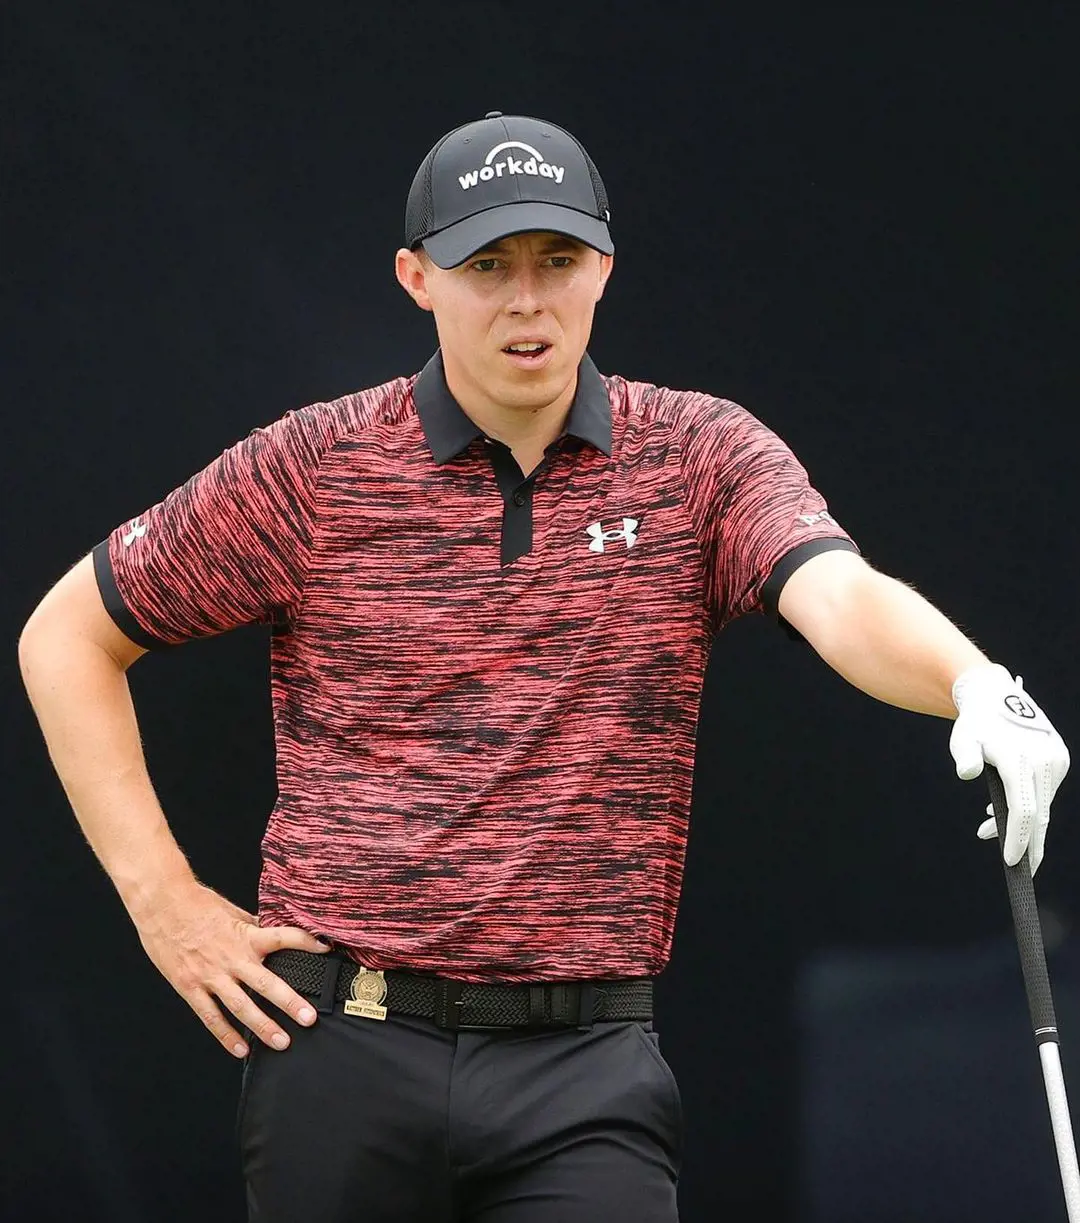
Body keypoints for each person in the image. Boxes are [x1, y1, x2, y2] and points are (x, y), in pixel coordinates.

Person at [17, 111, 1069, 1223]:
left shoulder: (699, 456)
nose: (528, 299)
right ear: (417, 277)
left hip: (587, 1068)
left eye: (557, 261)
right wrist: (165, 904)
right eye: (489, 265)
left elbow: (837, 594)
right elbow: (68, 633)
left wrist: (969, 677)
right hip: (341, 1048)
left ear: (604, 268)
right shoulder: (314, 467)